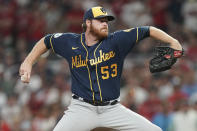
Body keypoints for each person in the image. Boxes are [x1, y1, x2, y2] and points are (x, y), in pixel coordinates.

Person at [19, 6, 183, 131]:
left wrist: (173, 41)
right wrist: (28, 61)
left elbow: (148, 30)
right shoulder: (71, 42)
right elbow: (46, 41)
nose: (105, 24)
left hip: (112, 109)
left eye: (106, 21)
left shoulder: (117, 40)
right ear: (88, 23)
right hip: (81, 109)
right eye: (100, 20)